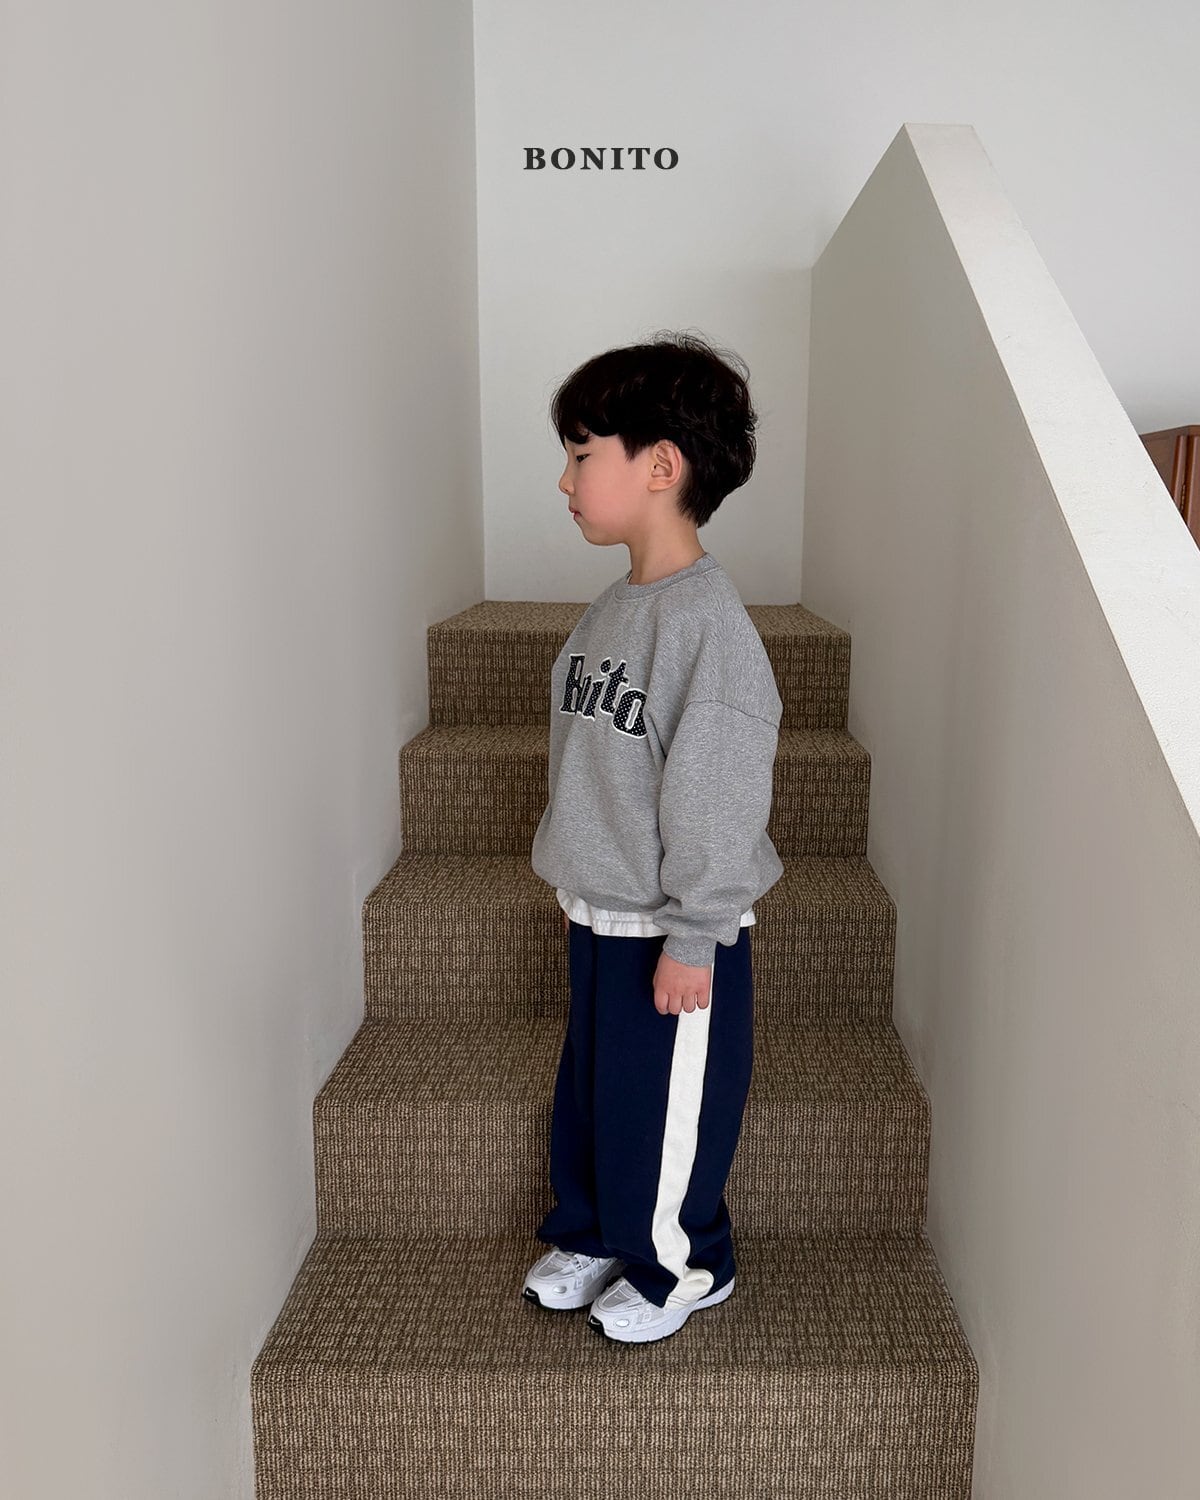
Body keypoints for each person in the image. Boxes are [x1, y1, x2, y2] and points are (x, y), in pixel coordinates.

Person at [521, 330, 785, 1345]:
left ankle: (683, 1263)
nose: (565, 479)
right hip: (603, 910)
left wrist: (694, 934)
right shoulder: (613, 611)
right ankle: (595, 1229)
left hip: (674, 929)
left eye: (582, 454)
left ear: (660, 466)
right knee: (595, 1093)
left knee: (667, 1108)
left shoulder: (708, 629)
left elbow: (716, 798)